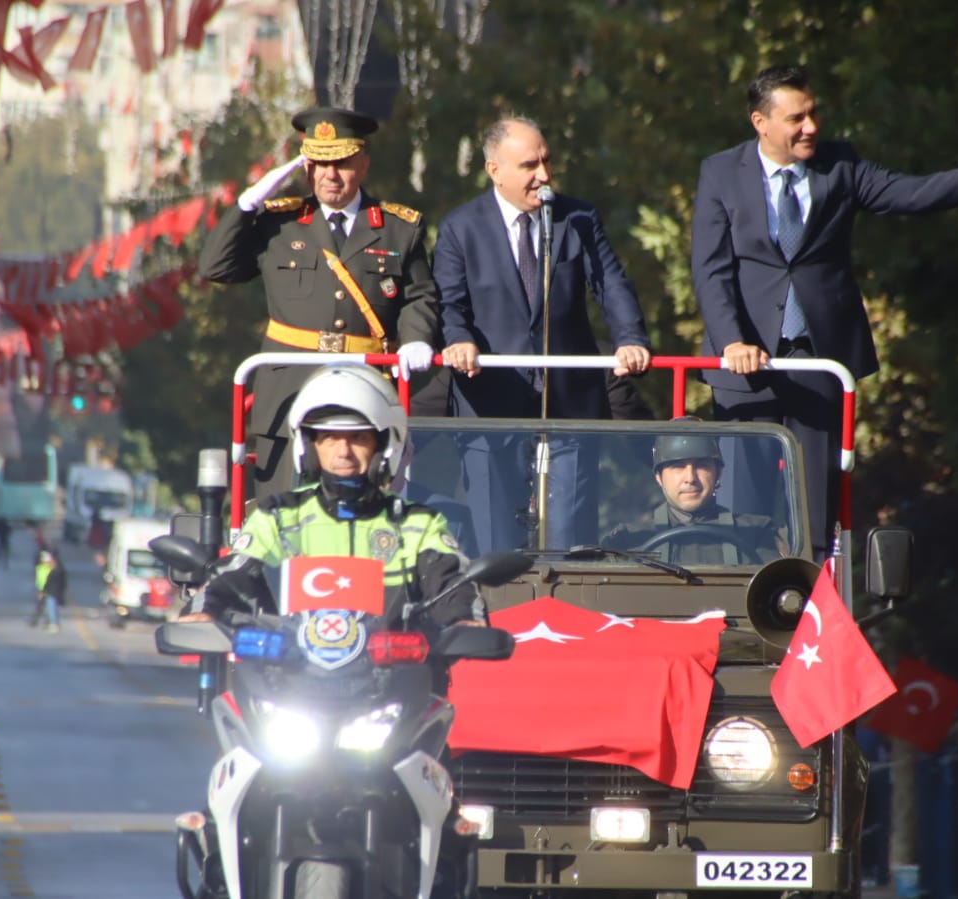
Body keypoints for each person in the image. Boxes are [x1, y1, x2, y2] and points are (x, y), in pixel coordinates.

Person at [691, 65, 958, 559]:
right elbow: (710, 268)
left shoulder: (840, 165)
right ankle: (749, 618)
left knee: (813, 507)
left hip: (818, 360)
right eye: (796, 118)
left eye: (813, 113)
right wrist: (731, 342)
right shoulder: (720, 172)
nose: (811, 126)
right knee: (746, 507)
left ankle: (809, 614)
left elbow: (908, 194)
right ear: (760, 123)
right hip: (747, 364)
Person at [198, 106, 442, 504]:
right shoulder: (280, 225)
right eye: (320, 164)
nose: (331, 175)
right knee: (280, 510)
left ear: (362, 163)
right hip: (287, 390)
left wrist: (417, 339)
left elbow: (420, 296)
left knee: (366, 508)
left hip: (366, 392)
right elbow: (215, 267)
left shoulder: (398, 228)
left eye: (342, 163)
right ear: (307, 168)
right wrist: (246, 206)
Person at [435, 116, 652, 551]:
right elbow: (447, 302)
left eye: (547, 161)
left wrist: (630, 338)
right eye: (529, 165)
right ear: (494, 170)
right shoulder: (461, 227)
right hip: (492, 398)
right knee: (497, 543)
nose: (544, 176)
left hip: (569, 399)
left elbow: (609, 283)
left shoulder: (578, 218)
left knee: (569, 541)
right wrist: (458, 339)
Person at [184, 364, 484, 631]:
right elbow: (236, 572)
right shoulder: (278, 517)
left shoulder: (418, 524)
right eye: (329, 438)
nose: (343, 452)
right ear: (309, 446)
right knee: (224, 698)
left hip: (393, 679)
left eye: (358, 438)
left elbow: (450, 583)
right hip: (290, 676)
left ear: (384, 446)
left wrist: (466, 620)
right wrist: (206, 608)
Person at [601, 426, 784, 565]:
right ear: (659, 477)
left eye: (701, 465)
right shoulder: (628, 541)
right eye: (678, 466)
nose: (690, 478)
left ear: (718, 472)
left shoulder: (758, 534)